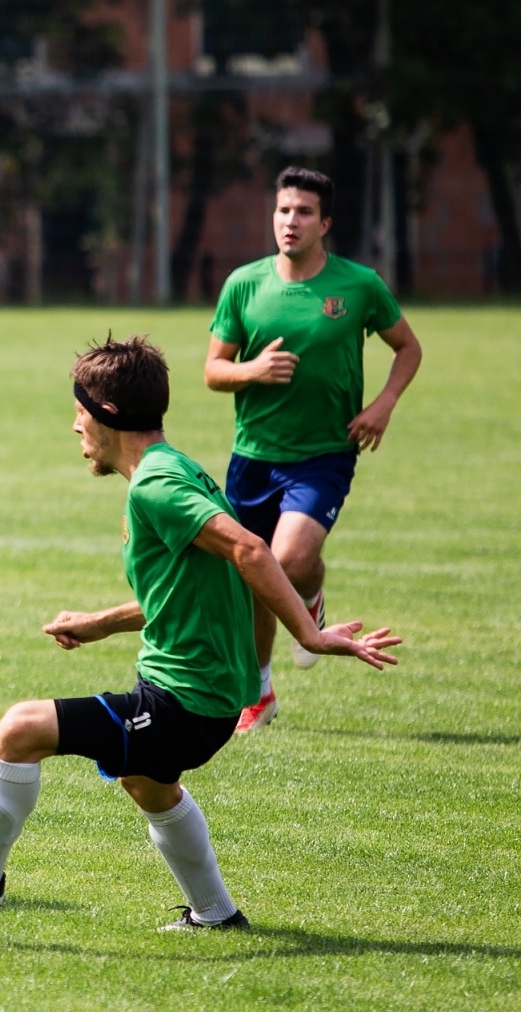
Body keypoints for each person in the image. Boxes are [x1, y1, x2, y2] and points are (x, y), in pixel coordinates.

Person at [0, 335, 399, 930]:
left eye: (79, 413)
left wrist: (309, 634)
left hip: (185, 702)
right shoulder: (175, 468)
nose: (74, 428)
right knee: (148, 785)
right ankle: (216, 914)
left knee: (20, 729)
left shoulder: (158, 484)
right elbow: (185, 591)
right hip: (203, 698)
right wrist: (99, 623)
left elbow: (250, 550)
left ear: (107, 416)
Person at [205, 167, 423, 733]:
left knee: (287, 561)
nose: (290, 221)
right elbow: (212, 370)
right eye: (283, 210)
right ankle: (260, 692)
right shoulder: (244, 285)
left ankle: (308, 588)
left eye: (303, 212)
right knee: (254, 575)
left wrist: (384, 403)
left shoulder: (359, 286)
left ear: (325, 223)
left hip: (326, 452)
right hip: (253, 455)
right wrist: (251, 369)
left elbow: (408, 347)